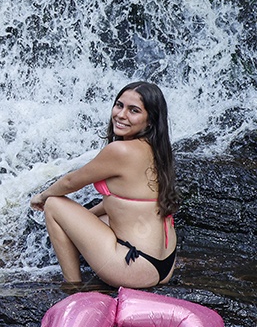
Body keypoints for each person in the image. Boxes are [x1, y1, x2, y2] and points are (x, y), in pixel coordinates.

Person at [29, 81, 179, 289]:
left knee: (55, 203)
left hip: (134, 267)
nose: (121, 115)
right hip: (164, 265)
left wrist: (42, 196)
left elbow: (72, 181)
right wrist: (80, 220)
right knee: (98, 215)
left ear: (150, 121)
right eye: (119, 105)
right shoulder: (158, 150)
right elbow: (119, 202)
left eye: (133, 111)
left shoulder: (121, 150)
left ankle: (72, 288)